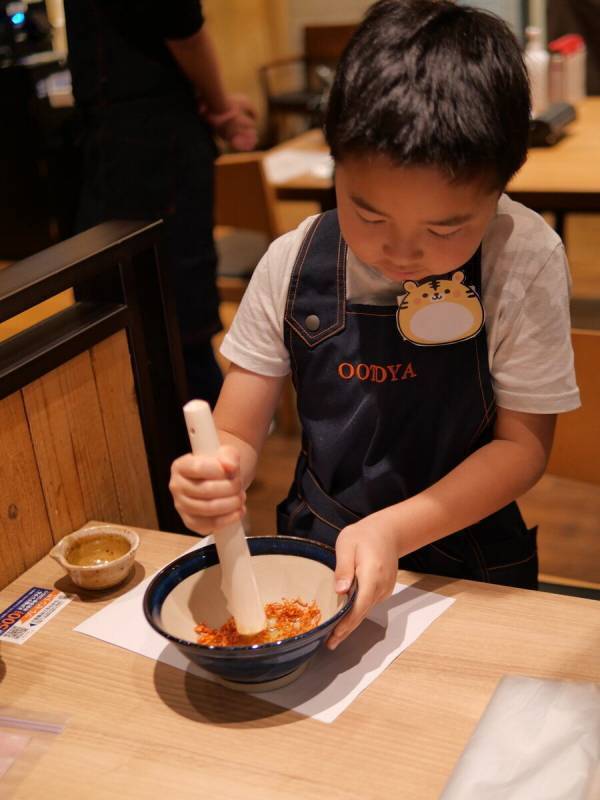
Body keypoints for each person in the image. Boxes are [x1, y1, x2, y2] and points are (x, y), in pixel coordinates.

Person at [169, 0, 580, 650]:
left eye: (446, 228)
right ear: (335, 163)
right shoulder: (293, 262)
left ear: (500, 187)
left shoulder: (522, 258)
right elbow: (236, 428)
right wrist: (219, 474)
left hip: (466, 564)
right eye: (369, 214)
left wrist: (393, 529)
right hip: (317, 565)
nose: (401, 252)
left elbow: (522, 449)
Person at [64, 0, 257, 407]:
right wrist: (221, 107)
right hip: (152, 150)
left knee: (131, 313)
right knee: (174, 319)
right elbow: (182, 28)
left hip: (116, 141)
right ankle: (211, 454)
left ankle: (196, 450)